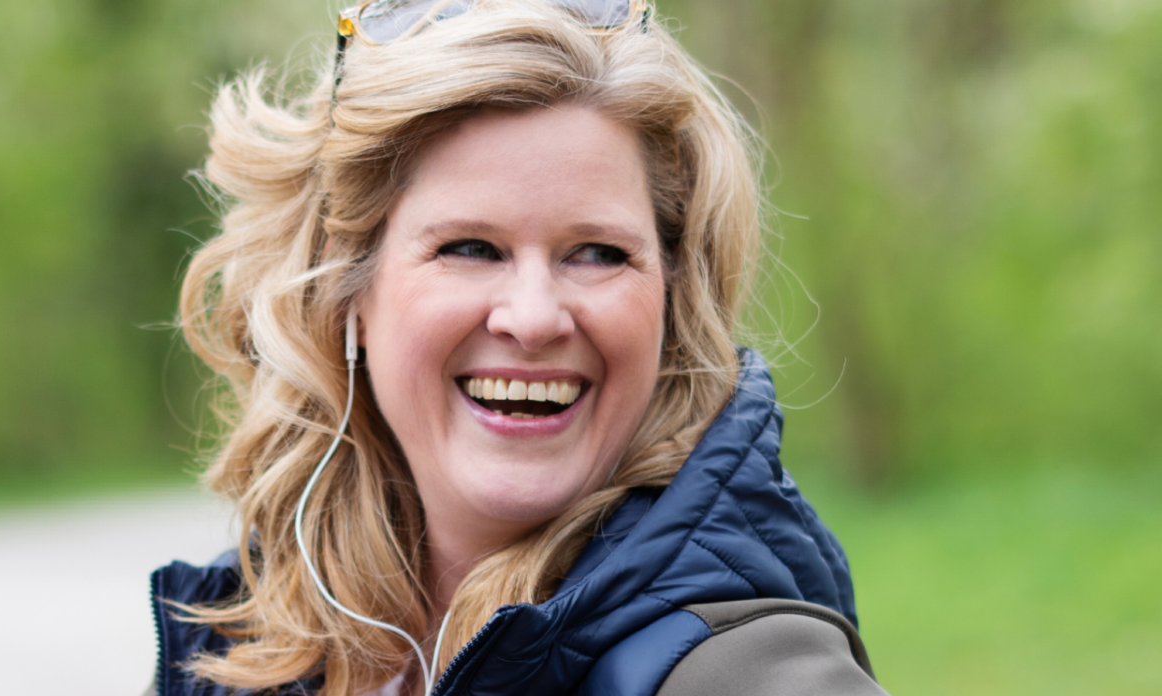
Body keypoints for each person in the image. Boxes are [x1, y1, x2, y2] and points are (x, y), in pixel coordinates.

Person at [150, 1, 889, 694]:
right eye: (471, 247)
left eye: (597, 253)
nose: (534, 319)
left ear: (672, 300)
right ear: (349, 292)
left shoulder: (752, 674)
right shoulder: (237, 645)